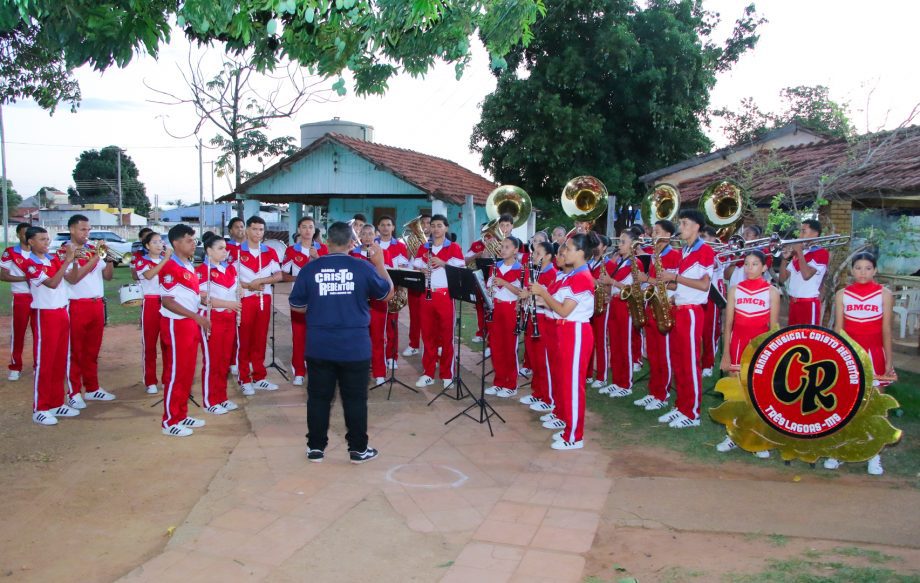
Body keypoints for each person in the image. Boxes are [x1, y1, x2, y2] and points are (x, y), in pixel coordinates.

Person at [288, 221, 394, 464]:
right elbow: (387, 294)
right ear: (351, 243)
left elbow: (296, 305)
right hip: (354, 346)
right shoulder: (363, 267)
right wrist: (380, 263)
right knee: (355, 399)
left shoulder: (310, 269)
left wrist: (321, 309)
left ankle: (315, 447)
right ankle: (358, 449)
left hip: (319, 344)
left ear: (326, 242)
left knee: (318, 398)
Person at [824, 252, 894, 476]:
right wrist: (837, 357)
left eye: (867, 268)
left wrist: (889, 362)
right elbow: (838, 329)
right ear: (851, 271)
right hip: (849, 355)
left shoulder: (884, 294)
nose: (862, 272)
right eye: (858, 268)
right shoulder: (843, 294)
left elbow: (886, 330)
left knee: (876, 403)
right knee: (845, 402)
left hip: (875, 354)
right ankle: (840, 449)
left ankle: (875, 454)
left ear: (875, 270)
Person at [527, 233, 598, 450]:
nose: (564, 252)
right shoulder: (570, 276)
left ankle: (574, 436)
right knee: (565, 382)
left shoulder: (582, 277)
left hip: (575, 332)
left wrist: (543, 292)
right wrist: (535, 297)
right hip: (565, 331)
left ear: (581, 253)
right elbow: (555, 306)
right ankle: (568, 425)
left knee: (574, 386)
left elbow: (564, 310)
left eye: (567, 248)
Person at [715, 250, 780, 458]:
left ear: (764, 267)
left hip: (760, 348)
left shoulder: (772, 292)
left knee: (758, 393)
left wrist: (772, 355)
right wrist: (725, 353)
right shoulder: (735, 290)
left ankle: (757, 437)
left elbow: (773, 328)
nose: (749, 267)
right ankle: (733, 434)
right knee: (736, 392)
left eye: (754, 264)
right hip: (737, 345)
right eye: (747, 264)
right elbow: (729, 323)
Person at [655, 209, 714, 429]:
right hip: (679, 308)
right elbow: (682, 283)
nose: (681, 227)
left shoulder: (705, 250)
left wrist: (674, 277)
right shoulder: (686, 251)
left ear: (697, 227)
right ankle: (681, 405)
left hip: (691, 311)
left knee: (690, 362)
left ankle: (693, 412)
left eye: (685, 223)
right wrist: (666, 286)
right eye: (680, 223)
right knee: (679, 360)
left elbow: (704, 285)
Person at [23, 227, 82, 425]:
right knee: (45, 362)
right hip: (44, 314)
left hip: (61, 311)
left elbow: (72, 279)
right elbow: (52, 283)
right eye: (42, 239)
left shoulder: (52, 259)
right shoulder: (31, 263)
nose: (47, 242)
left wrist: (72, 261)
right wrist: (66, 260)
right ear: (31, 242)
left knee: (59, 361)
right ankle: (40, 407)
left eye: (47, 239)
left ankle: (56, 402)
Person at [159, 224, 211, 437]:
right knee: (175, 373)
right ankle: (170, 421)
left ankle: (181, 413)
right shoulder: (170, 267)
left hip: (189, 322)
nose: (194, 244)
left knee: (187, 371)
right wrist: (196, 316)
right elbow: (167, 301)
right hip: (177, 323)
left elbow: (186, 294)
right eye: (189, 240)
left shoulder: (188, 265)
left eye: (194, 240)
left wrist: (200, 299)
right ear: (176, 243)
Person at [64, 214, 117, 409]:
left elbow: (108, 276)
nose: (87, 233)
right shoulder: (66, 251)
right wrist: (97, 256)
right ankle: (74, 392)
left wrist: (108, 258)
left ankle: (93, 387)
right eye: (82, 229)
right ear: (72, 230)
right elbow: (74, 278)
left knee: (92, 350)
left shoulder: (91, 250)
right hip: (77, 305)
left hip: (96, 304)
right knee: (76, 350)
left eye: (88, 229)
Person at [412, 214, 465, 388]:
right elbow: (415, 266)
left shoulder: (454, 247)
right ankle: (428, 373)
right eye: (433, 225)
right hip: (426, 295)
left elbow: (461, 271)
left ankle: (447, 374)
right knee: (427, 336)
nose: (435, 229)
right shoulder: (423, 247)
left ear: (446, 228)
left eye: (439, 225)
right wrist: (422, 272)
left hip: (444, 296)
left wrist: (443, 263)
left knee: (447, 336)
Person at [633, 220, 680, 412]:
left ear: (668, 235)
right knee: (653, 353)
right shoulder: (653, 256)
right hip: (652, 306)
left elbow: (675, 285)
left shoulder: (675, 255)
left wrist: (647, 280)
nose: (653, 235)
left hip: (665, 308)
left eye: (657, 232)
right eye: (652, 232)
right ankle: (654, 391)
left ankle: (663, 393)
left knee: (664, 354)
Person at [196, 232, 242, 415]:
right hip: (212, 319)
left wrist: (239, 292)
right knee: (212, 361)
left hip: (229, 319)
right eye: (220, 248)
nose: (225, 252)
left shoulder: (230, 269)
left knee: (224, 361)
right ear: (209, 251)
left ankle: (221, 397)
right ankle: (210, 400)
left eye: (225, 248)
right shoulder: (201, 271)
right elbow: (204, 299)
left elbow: (236, 288)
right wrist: (228, 304)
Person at [236, 216, 283, 395]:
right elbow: (232, 277)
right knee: (245, 339)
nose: (258, 233)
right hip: (245, 299)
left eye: (261, 230)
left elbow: (278, 276)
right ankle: (244, 378)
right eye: (254, 229)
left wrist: (260, 281)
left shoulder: (269, 251)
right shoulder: (237, 252)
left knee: (260, 338)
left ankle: (259, 376)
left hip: (264, 298)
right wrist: (249, 285)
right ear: (247, 230)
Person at [281, 216, 328, 386]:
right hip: (300, 298)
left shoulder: (323, 249)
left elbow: (329, 272)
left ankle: (317, 369)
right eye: (304, 227)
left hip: (320, 299)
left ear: (315, 230)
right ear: (299, 230)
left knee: (318, 335)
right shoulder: (292, 250)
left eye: (311, 226)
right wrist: (300, 278)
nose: (308, 230)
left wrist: (317, 259)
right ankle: (299, 371)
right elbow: (284, 275)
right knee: (299, 335)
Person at [483, 237, 526, 398]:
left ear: (515, 250)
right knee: (495, 346)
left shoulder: (520, 269)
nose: (503, 249)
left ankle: (511, 383)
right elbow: (488, 287)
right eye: (502, 246)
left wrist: (504, 283)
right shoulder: (495, 267)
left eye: (507, 247)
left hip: (510, 309)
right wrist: (490, 289)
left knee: (510, 347)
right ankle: (499, 381)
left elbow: (522, 293)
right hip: (496, 307)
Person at [600, 229, 640, 398]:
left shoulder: (635, 263)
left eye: (623, 242)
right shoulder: (620, 262)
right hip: (615, 303)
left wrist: (611, 281)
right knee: (615, 344)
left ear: (633, 245)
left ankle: (626, 383)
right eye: (620, 241)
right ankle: (617, 381)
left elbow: (632, 288)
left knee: (625, 345)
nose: (619, 245)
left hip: (626, 304)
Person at [519, 241, 556, 412]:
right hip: (531, 316)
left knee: (543, 360)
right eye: (533, 253)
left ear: (548, 256)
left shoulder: (553, 274)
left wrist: (532, 294)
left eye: (538, 253)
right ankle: (538, 392)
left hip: (543, 318)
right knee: (534, 358)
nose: (533, 256)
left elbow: (550, 300)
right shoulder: (533, 271)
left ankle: (548, 397)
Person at [134, 231, 172, 394]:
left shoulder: (170, 261)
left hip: (167, 302)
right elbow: (149, 275)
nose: (159, 244)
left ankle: (167, 378)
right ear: (147, 246)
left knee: (167, 343)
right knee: (149, 344)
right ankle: (150, 380)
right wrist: (165, 259)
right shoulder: (142, 261)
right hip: (150, 302)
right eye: (155, 242)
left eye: (161, 241)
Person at [779, 219, 829, 326]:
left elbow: (806, 275)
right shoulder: (799, 254)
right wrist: (784, 259)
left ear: (815, 234)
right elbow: (782, 279)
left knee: (808, 339)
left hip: (809, 304)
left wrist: (799, 252)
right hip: (793, 303)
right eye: (800, 231)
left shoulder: (821, 253)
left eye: (803, 231)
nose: (800, 235)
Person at [374, 216, 408, 371]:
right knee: (375, 326)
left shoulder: (400, 246)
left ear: (393, 228)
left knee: (392, 326)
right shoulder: (372, 245)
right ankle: (375, 357)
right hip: (375, 290)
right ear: (378, 227)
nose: (385, 227)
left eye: (388, 225)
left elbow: (402, 268)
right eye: (382, 224)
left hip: (392, 289)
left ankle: (391, 357)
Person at [1, 223, 34, 381]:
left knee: (39, 333)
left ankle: (38, 365)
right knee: (18, 333)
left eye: (29, 234)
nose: (26, 237)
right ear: (18, 235)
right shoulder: (11, 253)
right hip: (21, 296)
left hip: (40, 297)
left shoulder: (39, 252)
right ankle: (15, 366)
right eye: (23, 234)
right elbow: (3, 275)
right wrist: (24, 278)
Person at [403, 212, 431, 357]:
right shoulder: (411, 239)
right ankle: (413, 344)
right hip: (415, 279)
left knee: (430, 318)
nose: (425, 226)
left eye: (428, 223)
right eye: (423, 223)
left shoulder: (437, 242)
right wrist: (412, 247)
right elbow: (406, 258)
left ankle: (432, 346)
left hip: (431, 282)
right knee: (414, 316)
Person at [586, 236, 612, 389]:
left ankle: (602, 376)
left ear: (605, 248)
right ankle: (588, 374)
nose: (595, 247)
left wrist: (594, 282)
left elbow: (608, 287)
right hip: (589, 305)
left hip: (602, 304)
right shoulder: (589, 262)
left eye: (599, 245)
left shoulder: (608, 263)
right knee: (589, 342)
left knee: (601, 341)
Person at [699, 225, 724, 378]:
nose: (703, 241)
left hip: (713, 296)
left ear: (714, 239)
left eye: (706, 238)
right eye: (701, 238)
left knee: (709, 331)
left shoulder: (719, 253)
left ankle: (708, 363)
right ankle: (699, 360)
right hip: (698, 294)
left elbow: (712, 265)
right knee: (699, 331)